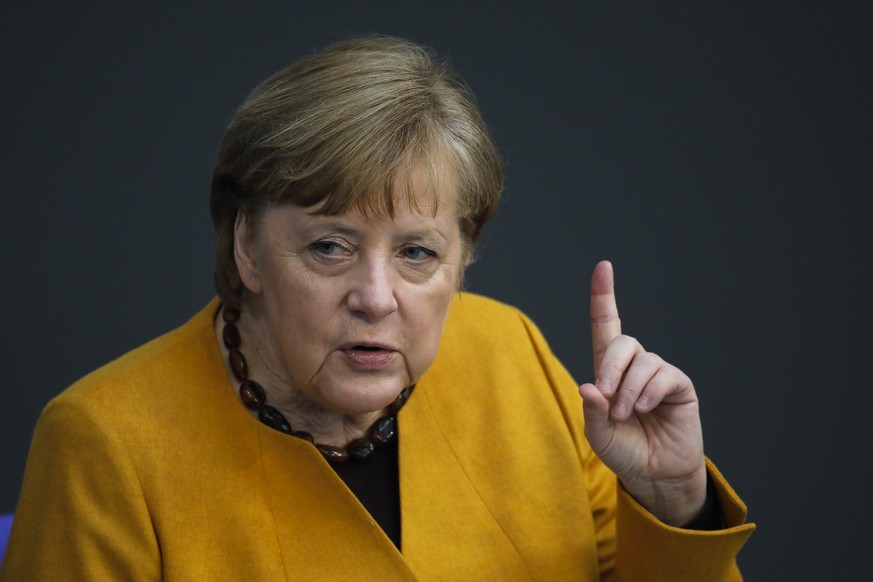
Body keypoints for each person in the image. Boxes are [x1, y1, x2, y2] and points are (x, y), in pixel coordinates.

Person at [0, 36, 754, 580]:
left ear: (460, 261)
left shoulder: (508, 353)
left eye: (417, 253)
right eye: (329, 246)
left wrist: (672, 503)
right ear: (247, 250)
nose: (375, 297)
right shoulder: (104, 442)